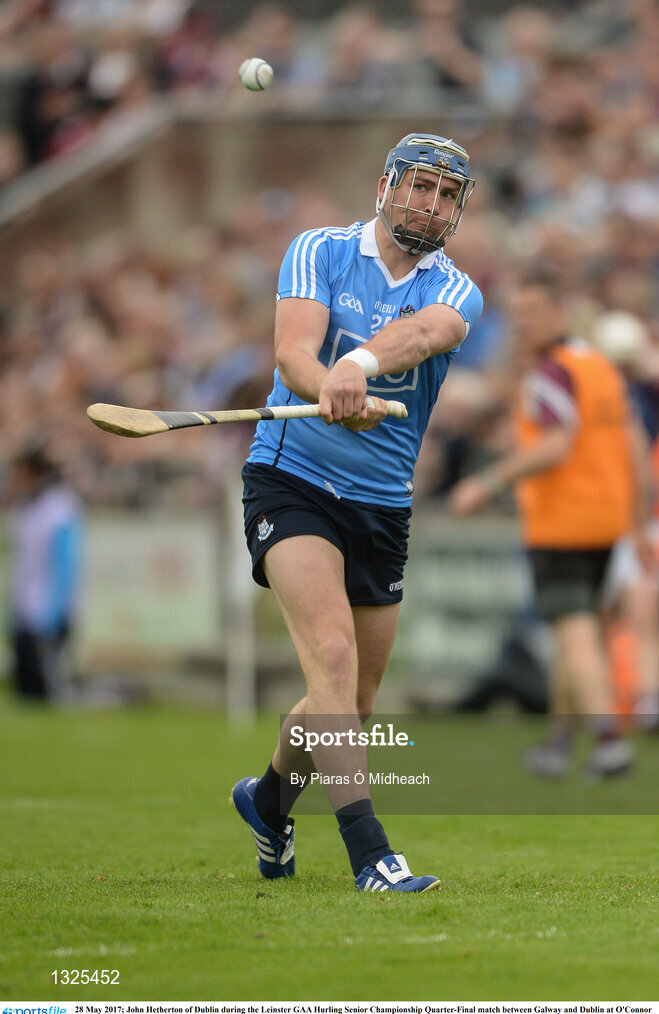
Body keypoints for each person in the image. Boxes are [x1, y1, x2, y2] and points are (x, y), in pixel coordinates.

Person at [231, 132, 483, 893]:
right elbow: (293, 355)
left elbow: (428, 333)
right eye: (419, 187)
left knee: (349, 701)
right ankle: (370, 852)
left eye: (445, 195)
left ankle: (269, 800)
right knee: (332, 662)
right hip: (293, 479)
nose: (430, 205)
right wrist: (324, 386)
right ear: (384, 185)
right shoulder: (320, 249)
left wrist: (359, 365)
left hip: (381, 505)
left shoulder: (456, 289)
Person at [449, 275, 654, 779]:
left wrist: (488, 481)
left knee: (576, 632)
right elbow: (632, 442)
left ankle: (608, 741)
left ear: (561, 313)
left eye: (534, 311)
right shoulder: (598, 366)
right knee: (575, 635)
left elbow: (555, 445)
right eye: (518, 313)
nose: (524, 323)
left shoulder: (549, 373)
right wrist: (638, 520)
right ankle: (560, 744)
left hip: (563, 522)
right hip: (606, 521)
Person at [4, 442, 84, 703]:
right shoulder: (26, 508)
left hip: (47, 615)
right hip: (24, 610)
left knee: (47, 692)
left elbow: (67, 565)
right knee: (26, 692)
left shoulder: (60, 508)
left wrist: (50, 614)